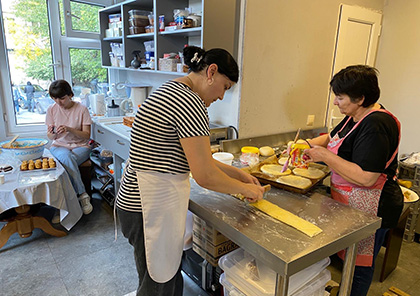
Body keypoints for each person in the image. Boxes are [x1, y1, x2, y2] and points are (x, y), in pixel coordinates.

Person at [116, 46, 265, 296]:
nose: (221, 97)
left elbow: (199, 157)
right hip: (148, 209)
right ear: (211, 71)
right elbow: (204, 175)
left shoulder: (170, 89)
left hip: (136, 204)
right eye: (225, 87)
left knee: (163, 279)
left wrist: (238, 174)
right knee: (157, 286)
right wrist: (246, 190)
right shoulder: (190, 103)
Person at [304, 65, 403, 296]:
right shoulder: (353, 116)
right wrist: (304, 145)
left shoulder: (377, 124)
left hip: (373, 204)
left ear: (360, 98)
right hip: (350, 200)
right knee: (348, 257)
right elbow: (329, 137)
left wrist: (325, 156)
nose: (336, 102)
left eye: (340, 97)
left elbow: (367, 178)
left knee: (359, 264)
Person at [45, 79, 93, 219]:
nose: (58, 102)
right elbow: (50, 137)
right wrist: (53, 134)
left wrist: (69, 129)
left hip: (81, 146)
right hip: (59, 146)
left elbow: (86, 135)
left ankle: (64, 206)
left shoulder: (82, 109)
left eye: (62, 98)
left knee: (66, 161)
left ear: (70, 94)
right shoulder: (51, 110)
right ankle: (82, 195)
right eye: (54, 98)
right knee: (66, 157)